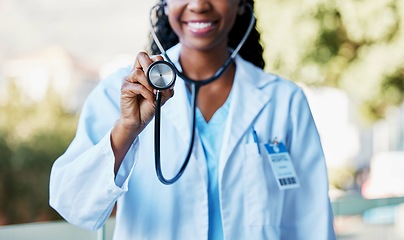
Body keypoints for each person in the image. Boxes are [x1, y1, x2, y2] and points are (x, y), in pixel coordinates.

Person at [49, 0, 336, 239]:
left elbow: (312, 222)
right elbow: (73, 205)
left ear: (240, 5)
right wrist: (127, 129)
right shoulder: (121, 92)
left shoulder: (284, 101)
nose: (199, 5)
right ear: (164, 4)